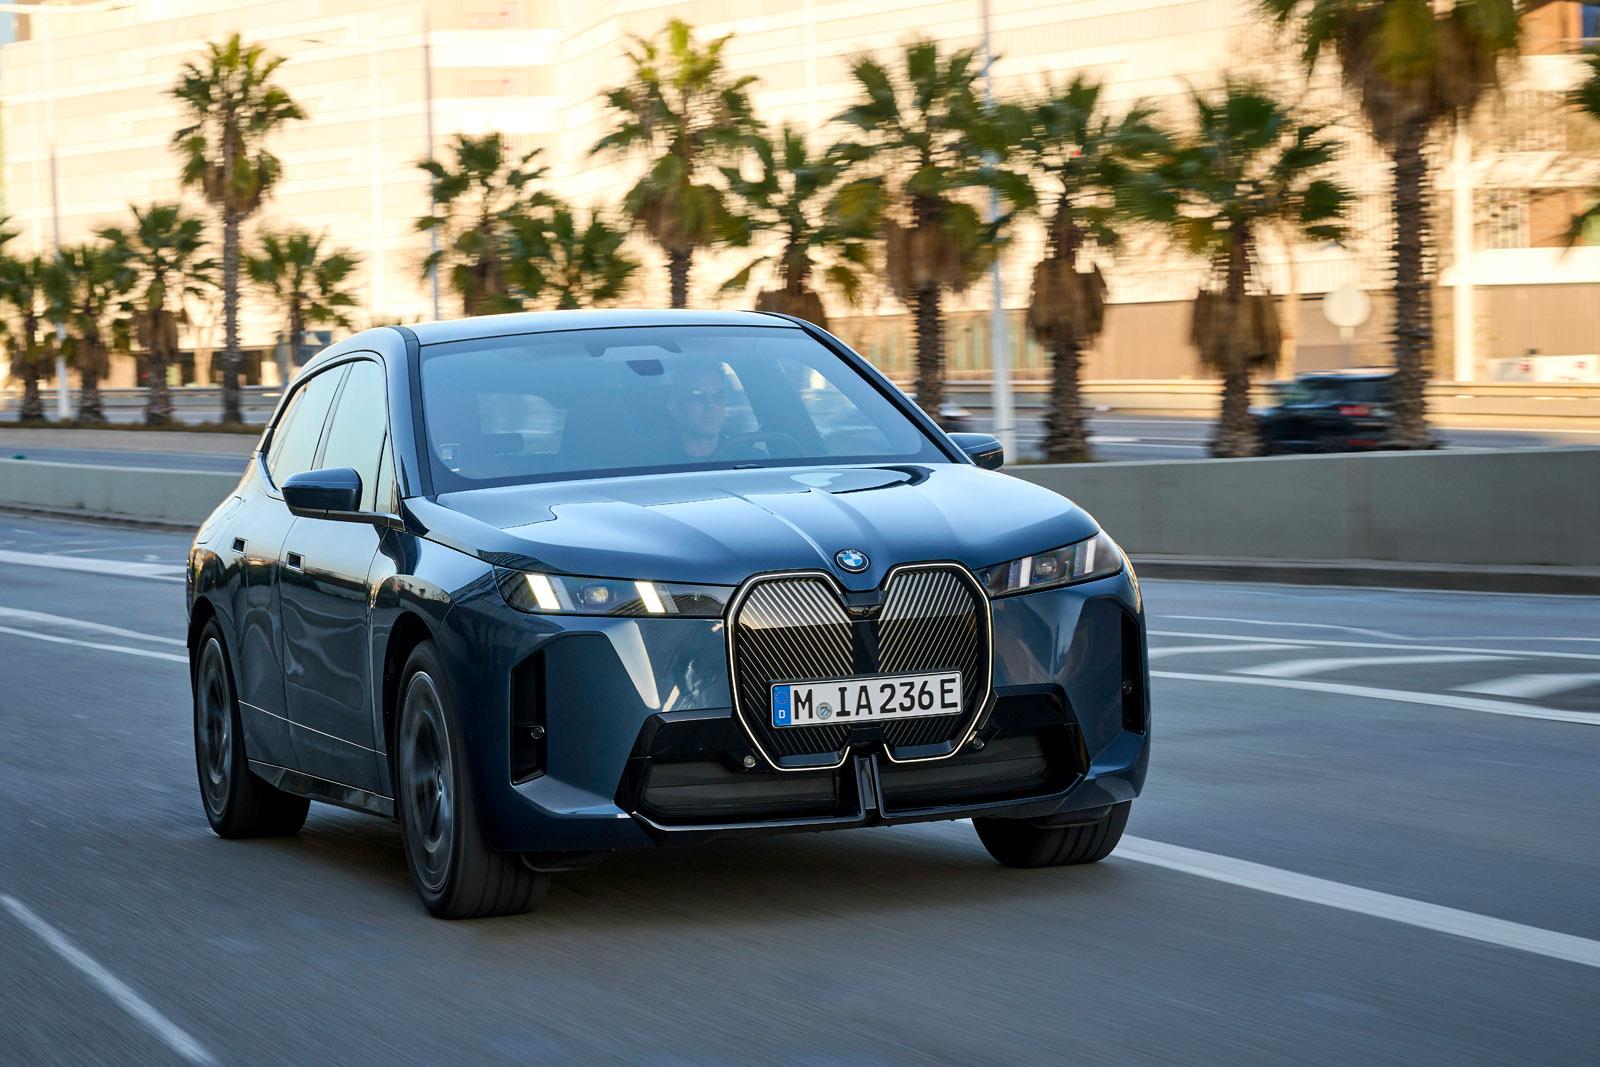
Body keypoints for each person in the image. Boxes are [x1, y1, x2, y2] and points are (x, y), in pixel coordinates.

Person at [663, 360, 728, 459]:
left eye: (717, 395)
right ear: (673, 405)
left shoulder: (750, 461)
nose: (710, 404)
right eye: (698, 396)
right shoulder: (654, 466)